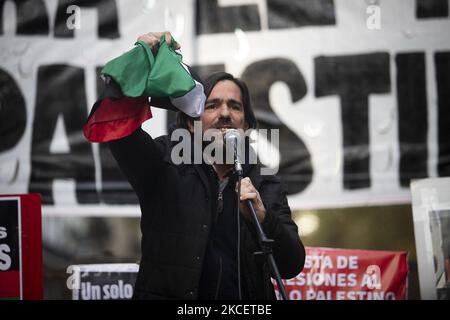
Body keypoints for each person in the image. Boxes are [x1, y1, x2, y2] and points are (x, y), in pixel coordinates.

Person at [84, 32, 305, 300]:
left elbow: (291, 265)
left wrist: (264, 219)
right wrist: (143, 59)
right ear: (190, 122)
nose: (225, 114)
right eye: (212, 105)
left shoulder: (265, 183)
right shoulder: (165, 161)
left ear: (246, 126)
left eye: (235, 107)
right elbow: (118, 128)